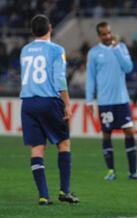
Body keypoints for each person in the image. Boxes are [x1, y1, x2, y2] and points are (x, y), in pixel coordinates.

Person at [20, 14, 79, 205]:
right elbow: (60, 80)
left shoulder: (25, 51)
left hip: (28, 103)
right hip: (49, 101)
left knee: (37, 148)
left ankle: (43, 195)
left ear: (32, 31)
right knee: (64, 143)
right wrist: (67, 104)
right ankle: (65, 191)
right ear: (50, 28)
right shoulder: (56, 50)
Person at [85, 21, 137, 181]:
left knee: (129, 131)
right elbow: (90, 78)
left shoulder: (120, 48)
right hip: (104, 101)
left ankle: (133, 171)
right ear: (99, 35)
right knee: (107, 134)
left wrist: (116, 49)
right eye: (104, 34)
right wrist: (88, 100)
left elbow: (128, 68)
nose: (107, 36)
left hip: (122, 99)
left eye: (109, 33)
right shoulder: (94, 53)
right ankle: (111, 171)